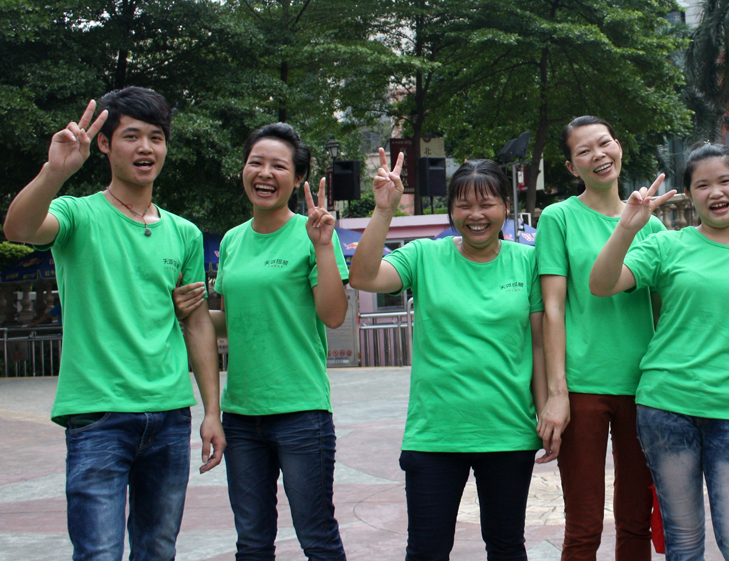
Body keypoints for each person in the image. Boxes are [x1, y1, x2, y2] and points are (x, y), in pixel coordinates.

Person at [2, 87, 224, 560]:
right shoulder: (76, 214)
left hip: (168, 414)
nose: (146, 148)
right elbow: (18, 229)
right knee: (99, 552)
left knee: (158, 549)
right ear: (104, 144)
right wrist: (55, 171)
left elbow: (197, 324)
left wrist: (210, 411)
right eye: (131, 136)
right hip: (98, 415)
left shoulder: (183, 233)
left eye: (156, 137)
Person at [590, 144, 729, 561]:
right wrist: (627, 227)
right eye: (702, 185)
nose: (715, 192)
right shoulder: (668, 246)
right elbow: (602, 284)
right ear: (690, 195)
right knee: (684, 542)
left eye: (725, 181)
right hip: (666, 406)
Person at [350, 153, 551, 560]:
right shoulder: (425, 255)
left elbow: (538, 343)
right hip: (434, 435)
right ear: (451, 210)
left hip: (508, 432)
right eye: (464, 205)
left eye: (486, 203)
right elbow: (364, 276)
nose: (476, 215)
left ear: (505, 208)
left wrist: (547, 410)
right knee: (427, 549)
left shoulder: (527, 261)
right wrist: (383, 210)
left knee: (507, 545)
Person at [172, 123, 350, 560]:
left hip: (301, 413)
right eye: (256, 162)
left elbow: (333, 315)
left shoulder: (312, 233)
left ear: (298, 179)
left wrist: (324, 247)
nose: (265, 173)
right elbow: (233, 322)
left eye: (278, 166)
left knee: (317, 536)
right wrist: (185, 313)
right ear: (243, 170)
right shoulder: (232, 240)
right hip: (241, 415)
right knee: (252, 542)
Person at [537, 116, 659, 560]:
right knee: (584, 525)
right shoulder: (559, 218)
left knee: (635, 522)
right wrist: (556, 391)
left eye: (603, 143)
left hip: (643, 388)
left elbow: (663, 314)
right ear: (572, 167)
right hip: (582, 385)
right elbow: (552, 307)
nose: (598, 155)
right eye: (584, 151)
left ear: (619, 146)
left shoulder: (653, 225)